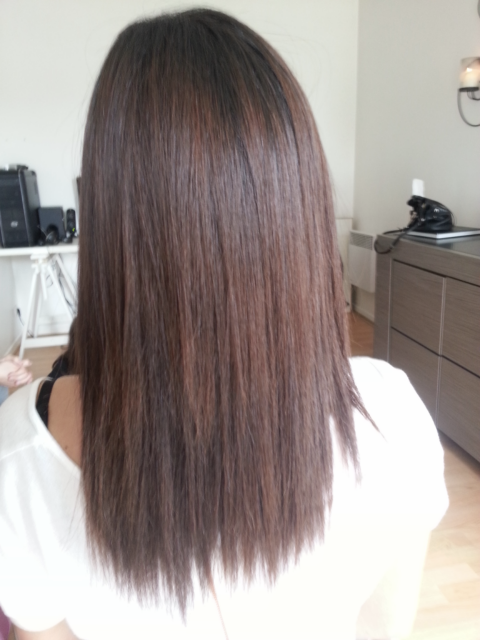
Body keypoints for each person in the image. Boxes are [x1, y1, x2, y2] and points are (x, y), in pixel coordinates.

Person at [0, 9, 448, 640]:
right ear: (298, 207)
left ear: (112, 219)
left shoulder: (24, 455)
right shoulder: (394, 420)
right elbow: (384, 631)